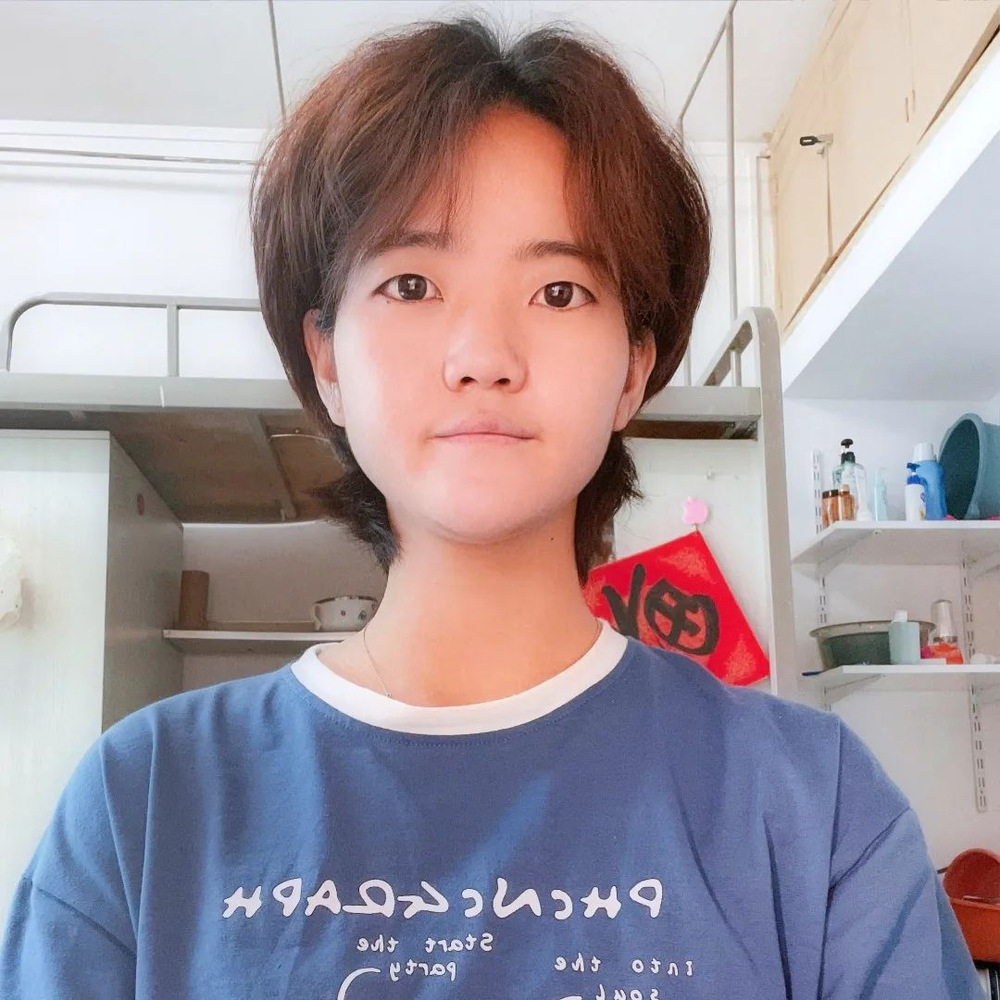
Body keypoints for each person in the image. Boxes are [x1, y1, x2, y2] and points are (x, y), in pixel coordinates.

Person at [0, 13, 982, 999]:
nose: (483, 357)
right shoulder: (143, 803)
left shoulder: (814, 806)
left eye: (558, 291)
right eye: (411, 283)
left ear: (632, 369)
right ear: (328, 360)